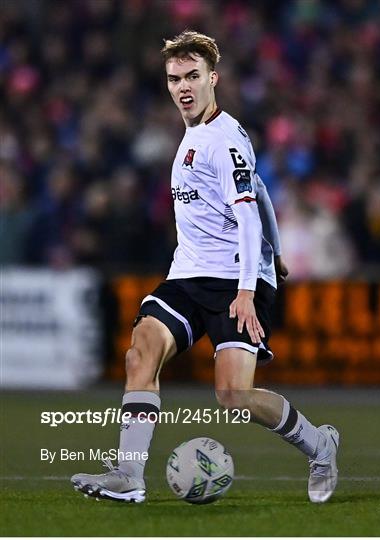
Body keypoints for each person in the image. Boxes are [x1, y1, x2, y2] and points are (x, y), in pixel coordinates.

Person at [71, 30, 339, 504]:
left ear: (213, 78)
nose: (183, 86)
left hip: (233, 282)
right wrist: (275, 252)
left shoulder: (225, 139)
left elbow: (245, 211)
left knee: (234, 396)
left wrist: (248, 289)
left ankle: (321, 446)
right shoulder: (194, 134)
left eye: (193, 75)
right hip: (187, 275)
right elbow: (260, 193)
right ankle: (130, 475)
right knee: (140, 353)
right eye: (174, 78)